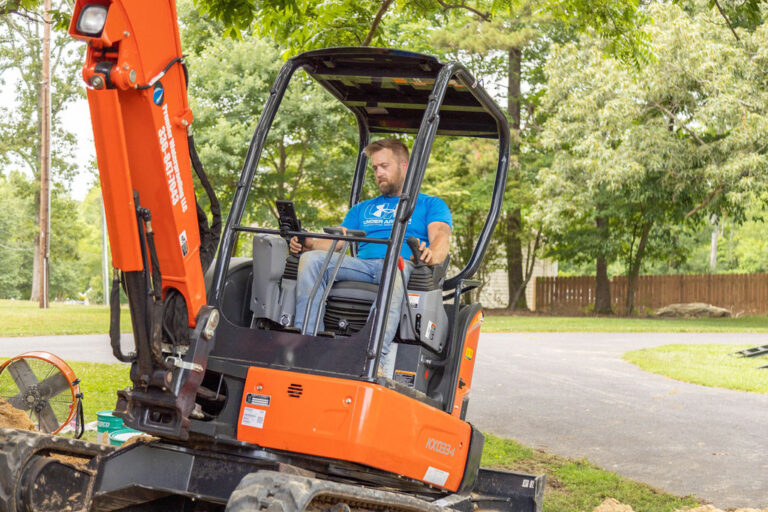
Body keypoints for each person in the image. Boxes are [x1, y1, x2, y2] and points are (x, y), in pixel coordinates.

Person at [289, 138, 452, 378]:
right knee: (312, 260)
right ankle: (310, 348)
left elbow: (441, 237)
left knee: (391, 268)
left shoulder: (430, 204)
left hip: (399, 265)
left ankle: (375, 360)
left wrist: (432, 254)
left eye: (384, 166)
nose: (378, 173)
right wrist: (307, 243)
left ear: (404, 166)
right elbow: (338, 241)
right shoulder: (361, 209)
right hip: (363, 266)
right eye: (375, 168)